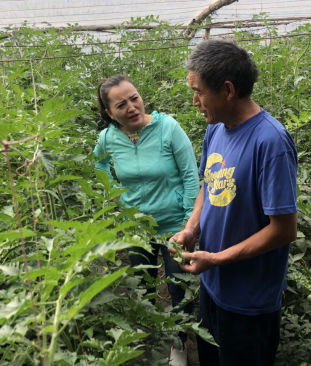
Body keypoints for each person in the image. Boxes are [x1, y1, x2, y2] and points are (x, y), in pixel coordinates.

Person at [169, 40, 298, 366]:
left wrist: (217, 258)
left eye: (198, 91)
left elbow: (284, 230)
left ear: (228, 89)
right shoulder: (217, 128)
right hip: (213, 289)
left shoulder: (270, 141)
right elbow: (207, 185)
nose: (195, 101)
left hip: (249, 301)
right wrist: (191, 228)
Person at [93, 74, 200, 366]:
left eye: (134, 98)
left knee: (180, 289)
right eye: (120, 104)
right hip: (137, 229)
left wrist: (189, 223)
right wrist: (114, 193)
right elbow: (98, 164)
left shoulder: (168, 128)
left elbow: (191, 176)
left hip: (174, 227)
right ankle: (152, 343)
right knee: (143, 287)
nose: (131, 107)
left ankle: (179, 344)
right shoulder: (107, 138)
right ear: (109, 113)